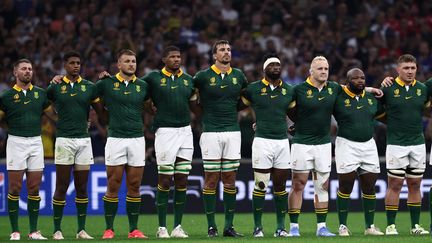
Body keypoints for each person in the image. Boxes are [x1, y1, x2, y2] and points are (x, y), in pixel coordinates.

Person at [47, 51, 105, 240]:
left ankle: (81, 230)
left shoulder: (89, 87)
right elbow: (42, 105)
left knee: (81, 187)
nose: (76, 66)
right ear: (65, 65)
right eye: (72, 63)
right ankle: (57, 229)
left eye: (78, 63)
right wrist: (56, 120)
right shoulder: (55, 87)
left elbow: (100, 111)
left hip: (83, 141)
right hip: (64, 140)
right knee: (62, 186)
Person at [193, 40, 247, 237]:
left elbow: (246, 98)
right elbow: (189, 96)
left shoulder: (239, 75)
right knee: (211, 179)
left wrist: (232, 111)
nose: (227, 52)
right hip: (210, 132)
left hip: (233, 131)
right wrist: (202, 115)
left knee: (230, 180)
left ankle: (228, 227)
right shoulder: (202, 76)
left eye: (229, 49)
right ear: (214, 55)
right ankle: (211, 226)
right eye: (222, 50)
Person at [141, 46, 196, 238]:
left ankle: (177, 227)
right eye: (172, 56)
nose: (176, 59)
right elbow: (136, 90)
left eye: (178, 56)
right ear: (164, 59)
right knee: (165, 179)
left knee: (182, 179)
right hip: (165, 131)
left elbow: (195, 103)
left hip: (185, 131)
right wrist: (148, 109)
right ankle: (162, 227)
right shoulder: (153, 78)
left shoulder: (189, 80)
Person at [240, 54, 294, 237]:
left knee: (280, 186)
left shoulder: (289, 90)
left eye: (278, 64)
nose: (276, 67)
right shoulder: (253, 89)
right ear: (265, 69)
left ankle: (280, 228)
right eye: (272, 64)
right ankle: (258, 228)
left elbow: (295, 114)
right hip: (262, 141)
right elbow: (235, 104)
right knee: (261, 185)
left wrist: (295, 126)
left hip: (282, 142)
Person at [97, 49, 149, 239]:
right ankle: (109, 228)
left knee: (135, 185)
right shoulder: (106, 83)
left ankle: (133, 229)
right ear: (118, 64)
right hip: (116, 138)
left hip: (137, 138)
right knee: (113, 183)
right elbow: (88, 95)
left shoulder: (143, 85)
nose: (131, 64)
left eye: (133, 61)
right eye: (127, 61)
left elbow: (151, 106)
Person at [287, 56, 339, 237]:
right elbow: (281, 106)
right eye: (320, 69)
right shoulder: (298, 90)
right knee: (298, 184)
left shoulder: (333, 88)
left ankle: (321, 227)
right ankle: (293, 227)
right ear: (311, 71)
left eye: (326, 68)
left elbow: (352, 91)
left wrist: (372, 89)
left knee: (322, 186)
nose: (324, 72)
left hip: (324, 144)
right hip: (301, 143)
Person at [379, 54, 429, 235]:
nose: (410, 71)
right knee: (395, 185)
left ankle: (415, 226)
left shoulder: (422, 89)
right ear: (398, 69)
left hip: (417, 143)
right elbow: (376, 110)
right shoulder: (388, 88)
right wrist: (393, 122)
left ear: (416, 69)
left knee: (415, 184)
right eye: (406, 68)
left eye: (413, 68)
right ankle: (390, 226)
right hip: (396, 144)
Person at [1, 59, 50, 240]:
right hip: (16, 142)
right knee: (14, 188)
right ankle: (15, 230)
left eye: (30, 69)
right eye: (23, 69)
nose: (27, 71)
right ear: (15, 72)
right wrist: (9, 128)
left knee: (34, 189)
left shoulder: (40, 94)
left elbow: (51, 114)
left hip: (36, 142)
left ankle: (34, 231)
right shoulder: (6, 97)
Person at [333, 68, 384, 236]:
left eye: (362, 78)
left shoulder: (371, 99)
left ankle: (369, 226)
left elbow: (384, 115)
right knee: (346, 186)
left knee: (369, 187)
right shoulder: (338, 96)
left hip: (369, 145)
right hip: (346, 144)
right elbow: (327, 86)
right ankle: (342, 226)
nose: (360, 80)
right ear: (348, 81)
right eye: (355, 78)